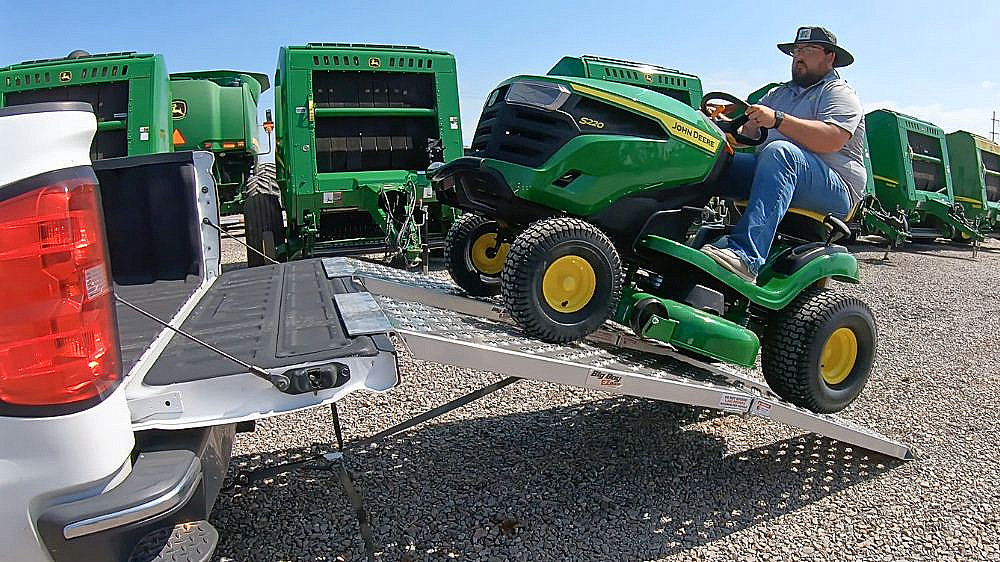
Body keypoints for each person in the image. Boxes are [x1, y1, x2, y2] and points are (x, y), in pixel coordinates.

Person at [701, 26, 867, 283]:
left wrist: (778, 119)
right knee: (715, 160)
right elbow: (746, 133)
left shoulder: (838, 93)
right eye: (796, 51)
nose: (799, 57)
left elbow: (831, 138)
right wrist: (714, 125)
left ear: (830, 57)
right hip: (778, 170)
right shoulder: (778, 94)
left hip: (835, 188)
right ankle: (674, 232)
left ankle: (745, 257)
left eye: (808, 51)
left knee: (780, 152)